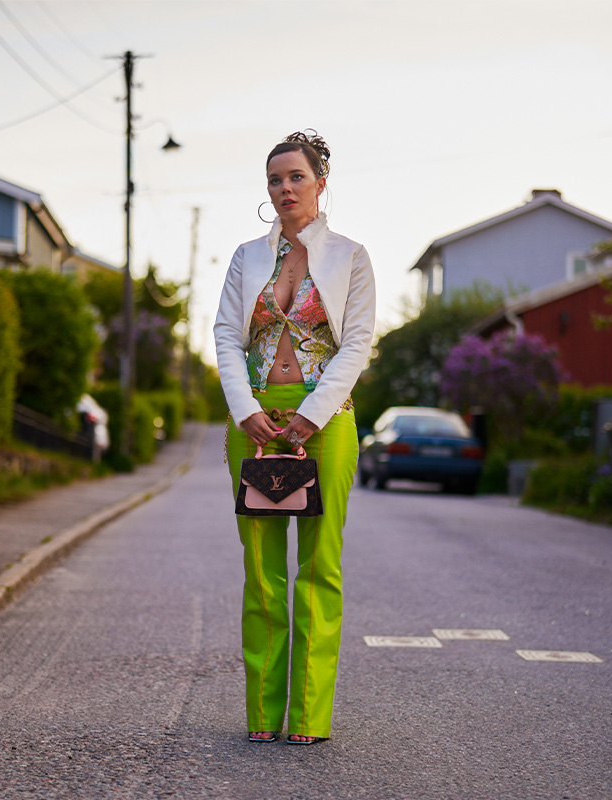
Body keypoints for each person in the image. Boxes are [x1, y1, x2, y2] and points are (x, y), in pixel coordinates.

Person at [213, 130, 376, 746]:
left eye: (296, 177)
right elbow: (226, 335)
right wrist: (243, 408)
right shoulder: (246, 257)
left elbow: (357, 342)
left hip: (325, 422)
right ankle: (262, 714)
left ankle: (308, 716)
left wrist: (313, 413)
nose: (285, 188)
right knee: (260, 569)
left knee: (318, 564)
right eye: (275, 179)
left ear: (320, 182)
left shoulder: (350, 257)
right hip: (253, 420)